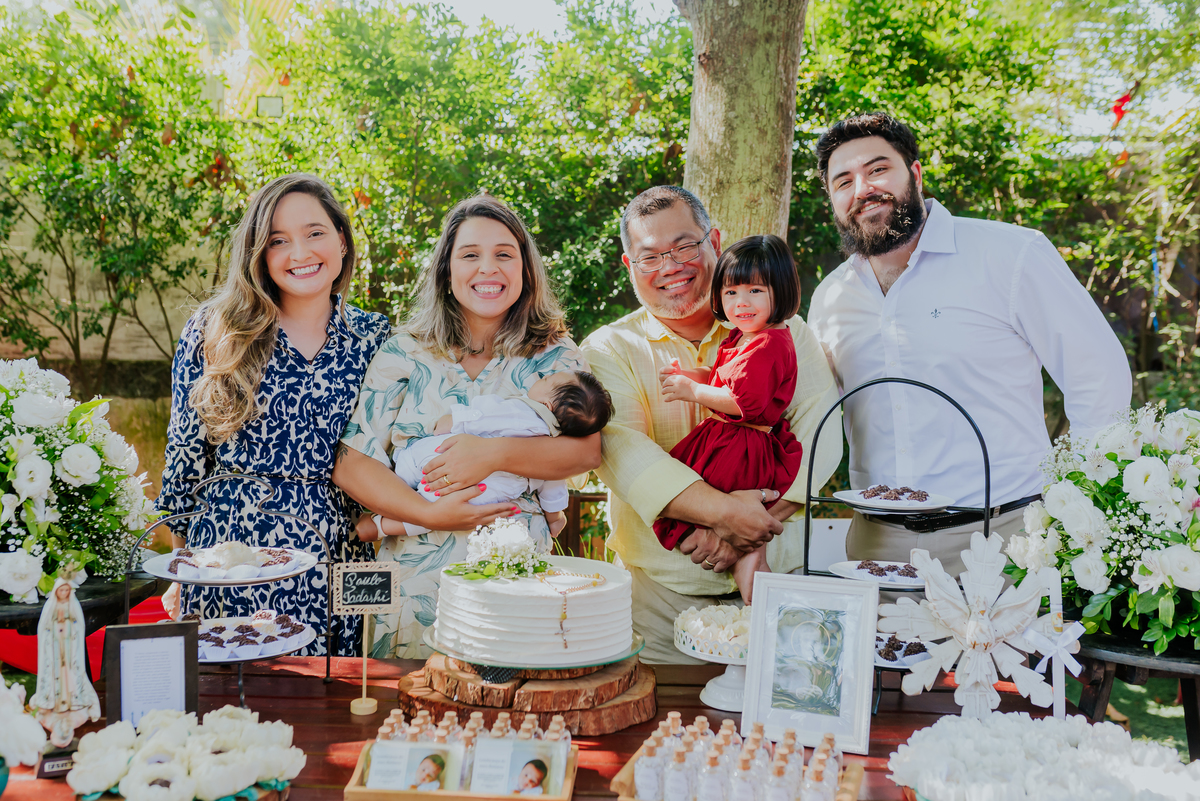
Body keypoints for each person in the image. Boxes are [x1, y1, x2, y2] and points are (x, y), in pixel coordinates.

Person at [806, 112, 1133, 575]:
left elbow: (1097, 376)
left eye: (878, 169)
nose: (863, 189)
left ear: (915, 174)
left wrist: (1078, 500)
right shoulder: (830, 297)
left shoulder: (1010, 255)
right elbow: (812, 413)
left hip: (1006, 539)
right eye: (844, 182)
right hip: (875, 547)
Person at [580, 185, 843, 664]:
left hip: (778, 585)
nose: (670, 267)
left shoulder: (785, 331)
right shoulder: (608, 349)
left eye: (684, 247)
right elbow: (624, 453)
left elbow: (821, 430)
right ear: (629, 265)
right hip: (658, 603)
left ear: (715, 242)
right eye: (650, 256)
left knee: (781, 710)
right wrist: (723, 517)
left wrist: (749, 526)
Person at [333, 194, 601, 658]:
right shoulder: (404, 351)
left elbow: (585, 452)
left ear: (526, 268)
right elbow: (353, 462)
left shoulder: (556, 356)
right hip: (413, 581)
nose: (488, 269)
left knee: (511, 694)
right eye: (470, 255)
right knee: (407, 698)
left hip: (515, 580)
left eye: (504, 254)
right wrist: (426, 514)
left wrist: (492, 454)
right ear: (446, 269)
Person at [157, 173, 392, 655]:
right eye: (278, 240)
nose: (299, 253)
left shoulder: (375, 338)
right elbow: (185, 453)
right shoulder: (216, 329)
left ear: (341, 240)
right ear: (258, 253)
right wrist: (182, 567)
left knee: (337, 691)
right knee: (235, 687)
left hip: (338, 549)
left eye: (314, 233)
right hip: (233, 550)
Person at [653, 235, 805, 603]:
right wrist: (693, 375)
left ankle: (751, 578)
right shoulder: (745, 337)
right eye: (731, 292)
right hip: (732, 438)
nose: (741, 303)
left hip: (741, 445)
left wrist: (693, 392)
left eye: (755, 291)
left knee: (682, 508)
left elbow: (742, 402)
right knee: (689, 507)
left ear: (781, 290)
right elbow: (725, 377)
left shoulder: (769, 343)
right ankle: (753, 571)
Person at [357, 370, 612, 541]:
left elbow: (483, 418)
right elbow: (554, 483)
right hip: (490, 492)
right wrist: (555, 518)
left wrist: (451, 422)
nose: (540, 378)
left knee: (412, 466)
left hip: (448, 457)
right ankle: (381, 527)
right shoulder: (555, 446)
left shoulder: (521, 410)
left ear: (546, 405)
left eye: (546, 380)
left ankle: (389, 488)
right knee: (442, 511)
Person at [31, 579, 100, 747]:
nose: (64, 593)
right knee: (55, 676)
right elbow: (44, 628)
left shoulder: (72, 606)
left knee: (70, 677)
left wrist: (69, 630)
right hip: (54, 648)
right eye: (61, 590)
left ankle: (72, 702)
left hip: (69, 649)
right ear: (56, 591)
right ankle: (52, 703)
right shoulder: (51, 607)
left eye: (66, 591)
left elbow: (79, 626)